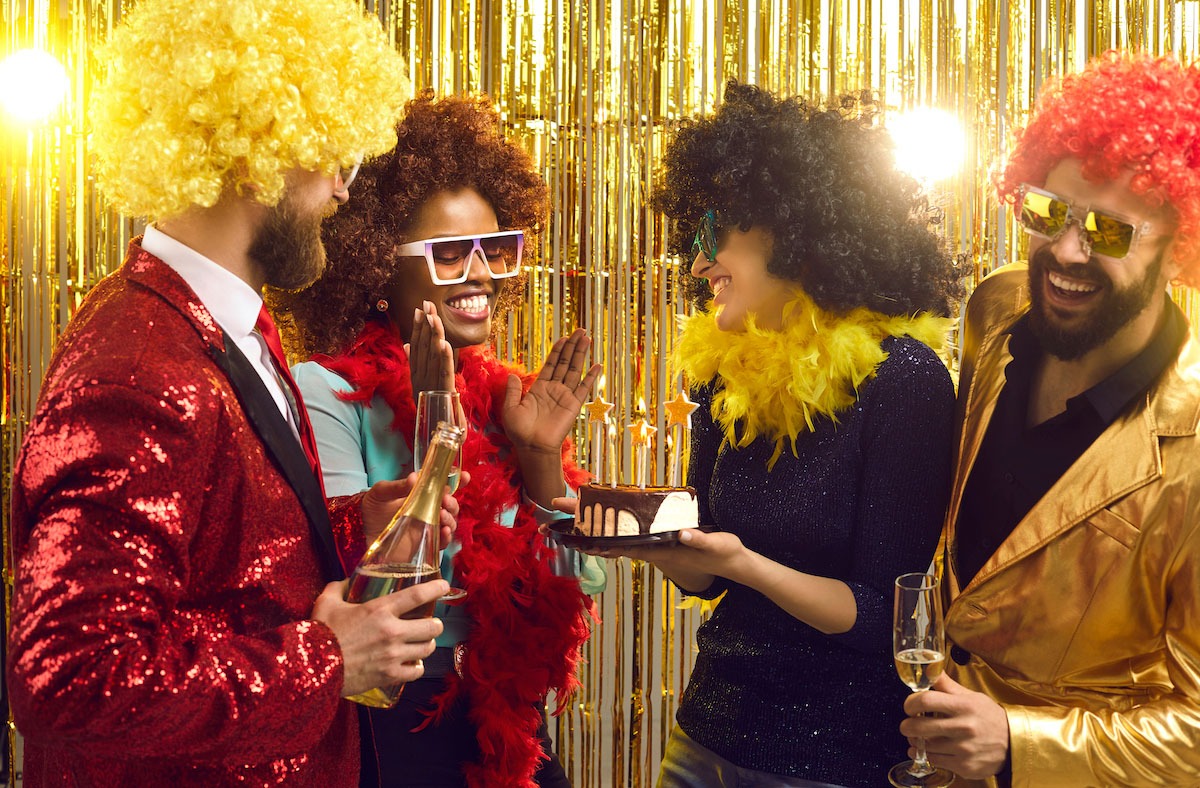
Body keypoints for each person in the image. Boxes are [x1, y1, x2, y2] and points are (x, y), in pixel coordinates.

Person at [6, 1, 459, 785]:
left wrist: (355, 526)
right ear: (260, 152)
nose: (344, 192)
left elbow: (228, 563)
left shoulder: (226, 324)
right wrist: (328, 661)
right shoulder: (136, 370)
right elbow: (71, 679)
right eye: (337, 159)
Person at [574, 81, 963, 787]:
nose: (696, 265)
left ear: (797, 227)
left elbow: (883, 615)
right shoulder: (725, 373)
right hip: (704, 739)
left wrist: (746, 565)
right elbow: (703, 568)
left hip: (833, 761)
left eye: (711, 234)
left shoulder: (904, 379)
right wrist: (653, 542)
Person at [269, 91, 605, 788]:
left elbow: (576, 594)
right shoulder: (324, 394)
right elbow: (368, 587)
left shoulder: (511, 402)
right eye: (451, 253)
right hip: (389, 727)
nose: (480, 272)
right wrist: (433, 429)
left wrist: (542, 459)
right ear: (375, 271)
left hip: (503, 718)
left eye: (496, 249)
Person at [899, 51, 1200, 787]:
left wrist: (1019, 742)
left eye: (1108, 231)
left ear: (1176, 247)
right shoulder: (996, 310)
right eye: (1047, 213)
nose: (1066, 252)